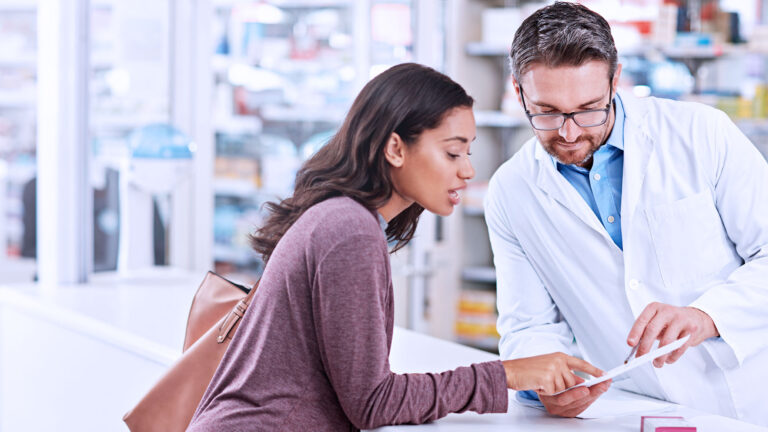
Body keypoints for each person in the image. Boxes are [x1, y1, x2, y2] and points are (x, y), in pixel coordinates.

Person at [188, 63, 603, 431]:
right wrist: (507, 375)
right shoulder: (350, 230)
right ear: (395, 148)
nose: (468, 169)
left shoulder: (341, 217)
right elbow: (373, 403)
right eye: (453, 151)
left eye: (469, 152)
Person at [485, 1, 768, 426]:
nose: (569, 131)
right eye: (546, 112)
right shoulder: (511, 191)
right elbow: (528, 326)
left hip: (751, 397)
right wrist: (545, 383)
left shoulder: (700, 133)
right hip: (635, 409)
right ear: (519, 91)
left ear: (616, 80)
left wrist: (707, 316)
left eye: (587, 108)